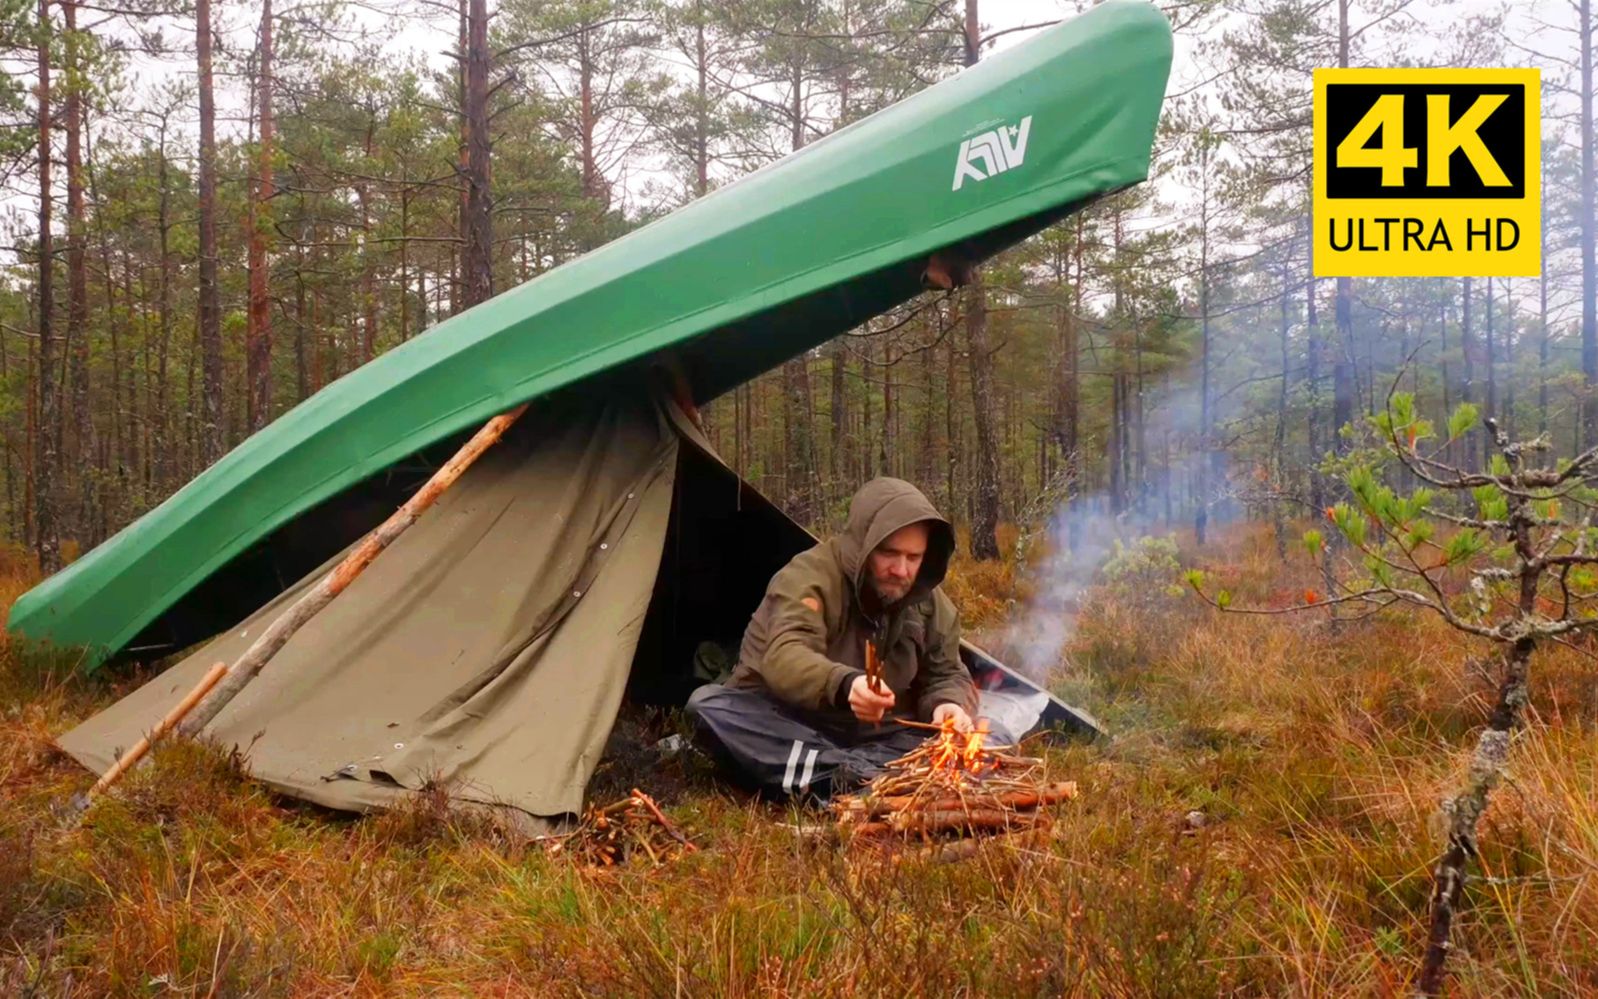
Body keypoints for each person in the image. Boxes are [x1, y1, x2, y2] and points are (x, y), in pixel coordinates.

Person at [686, 477, 996, 800]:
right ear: (863, 544)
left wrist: (948, 704)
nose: (901, 570)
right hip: (791, 723)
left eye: (913, 558)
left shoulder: (928, 601)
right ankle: (861, 779)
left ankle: (846, 777)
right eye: (889, 554)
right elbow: (785, 656)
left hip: (875, 739)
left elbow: (947, 672)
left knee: (986, 734)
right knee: (709, 707)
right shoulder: (809, 577)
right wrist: (846, 685)